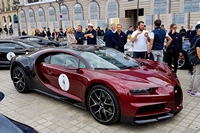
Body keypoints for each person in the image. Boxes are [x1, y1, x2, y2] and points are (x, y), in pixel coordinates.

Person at [188, 24, 200, 97]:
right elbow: (198, 51)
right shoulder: (199, 39)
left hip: (194, 59)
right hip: (198, 60)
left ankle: (191, 88)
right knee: (198, 75)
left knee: (195, 74)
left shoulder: (195, 38)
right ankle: (194, 91)